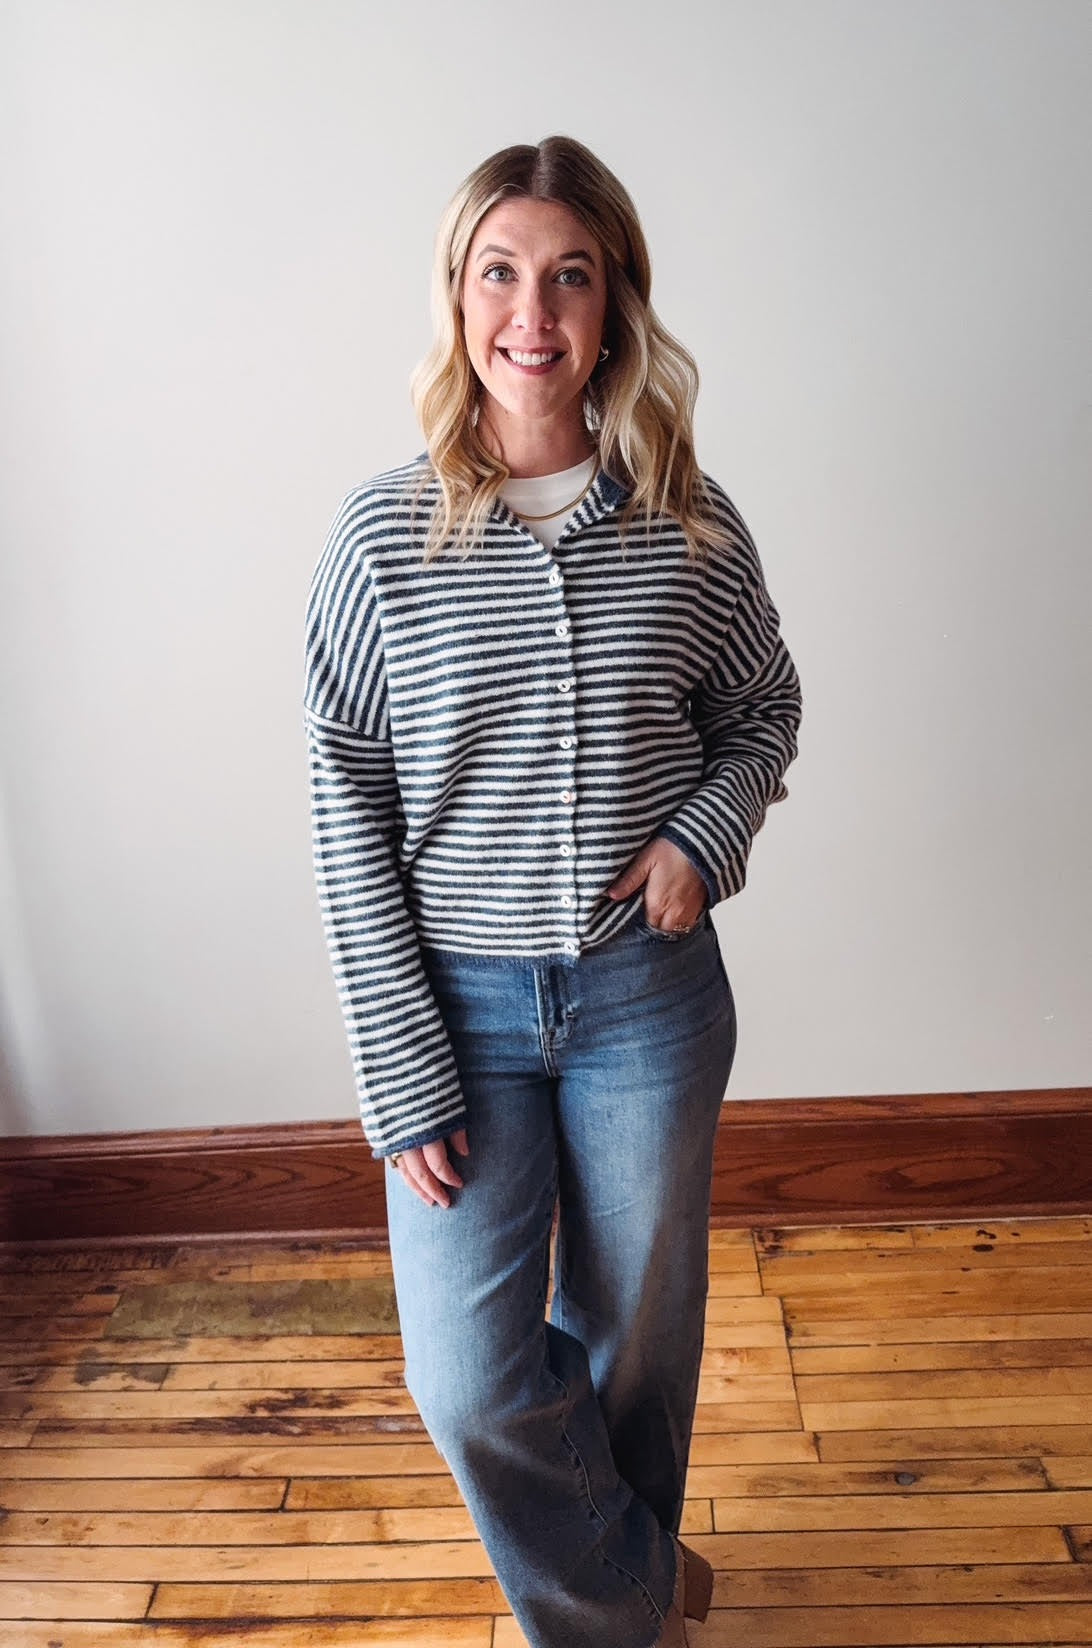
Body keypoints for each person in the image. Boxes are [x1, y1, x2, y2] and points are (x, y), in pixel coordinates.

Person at [304, 135, 801, 1648]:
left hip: (647, 1002)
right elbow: (346, 799)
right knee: (464, 1374)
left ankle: (591, 1622)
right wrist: (398, 1065)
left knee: (638, 1344)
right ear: (458, 301)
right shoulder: (383, 537)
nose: (534, 310)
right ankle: (631, 1594)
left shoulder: (689, 524)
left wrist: (702, 842)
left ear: (615, 306)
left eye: (570, 275)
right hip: (452, 1014)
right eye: (500, 272)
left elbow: (765, 707)